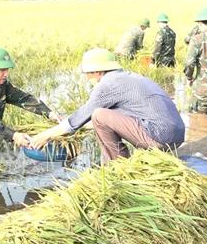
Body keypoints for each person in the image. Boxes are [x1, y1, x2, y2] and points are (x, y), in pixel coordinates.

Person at [29, 48, 185, 164]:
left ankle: (117, 165)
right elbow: (111, 120)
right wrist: (76, 125)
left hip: (159, 137)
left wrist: (46, 135)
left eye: (87, 73)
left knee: (99, 114)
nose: (86, 77)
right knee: (100, 116)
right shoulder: (129, 78)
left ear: (97, 71)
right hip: (176, 137)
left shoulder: (108, 84)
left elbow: (85, 116)